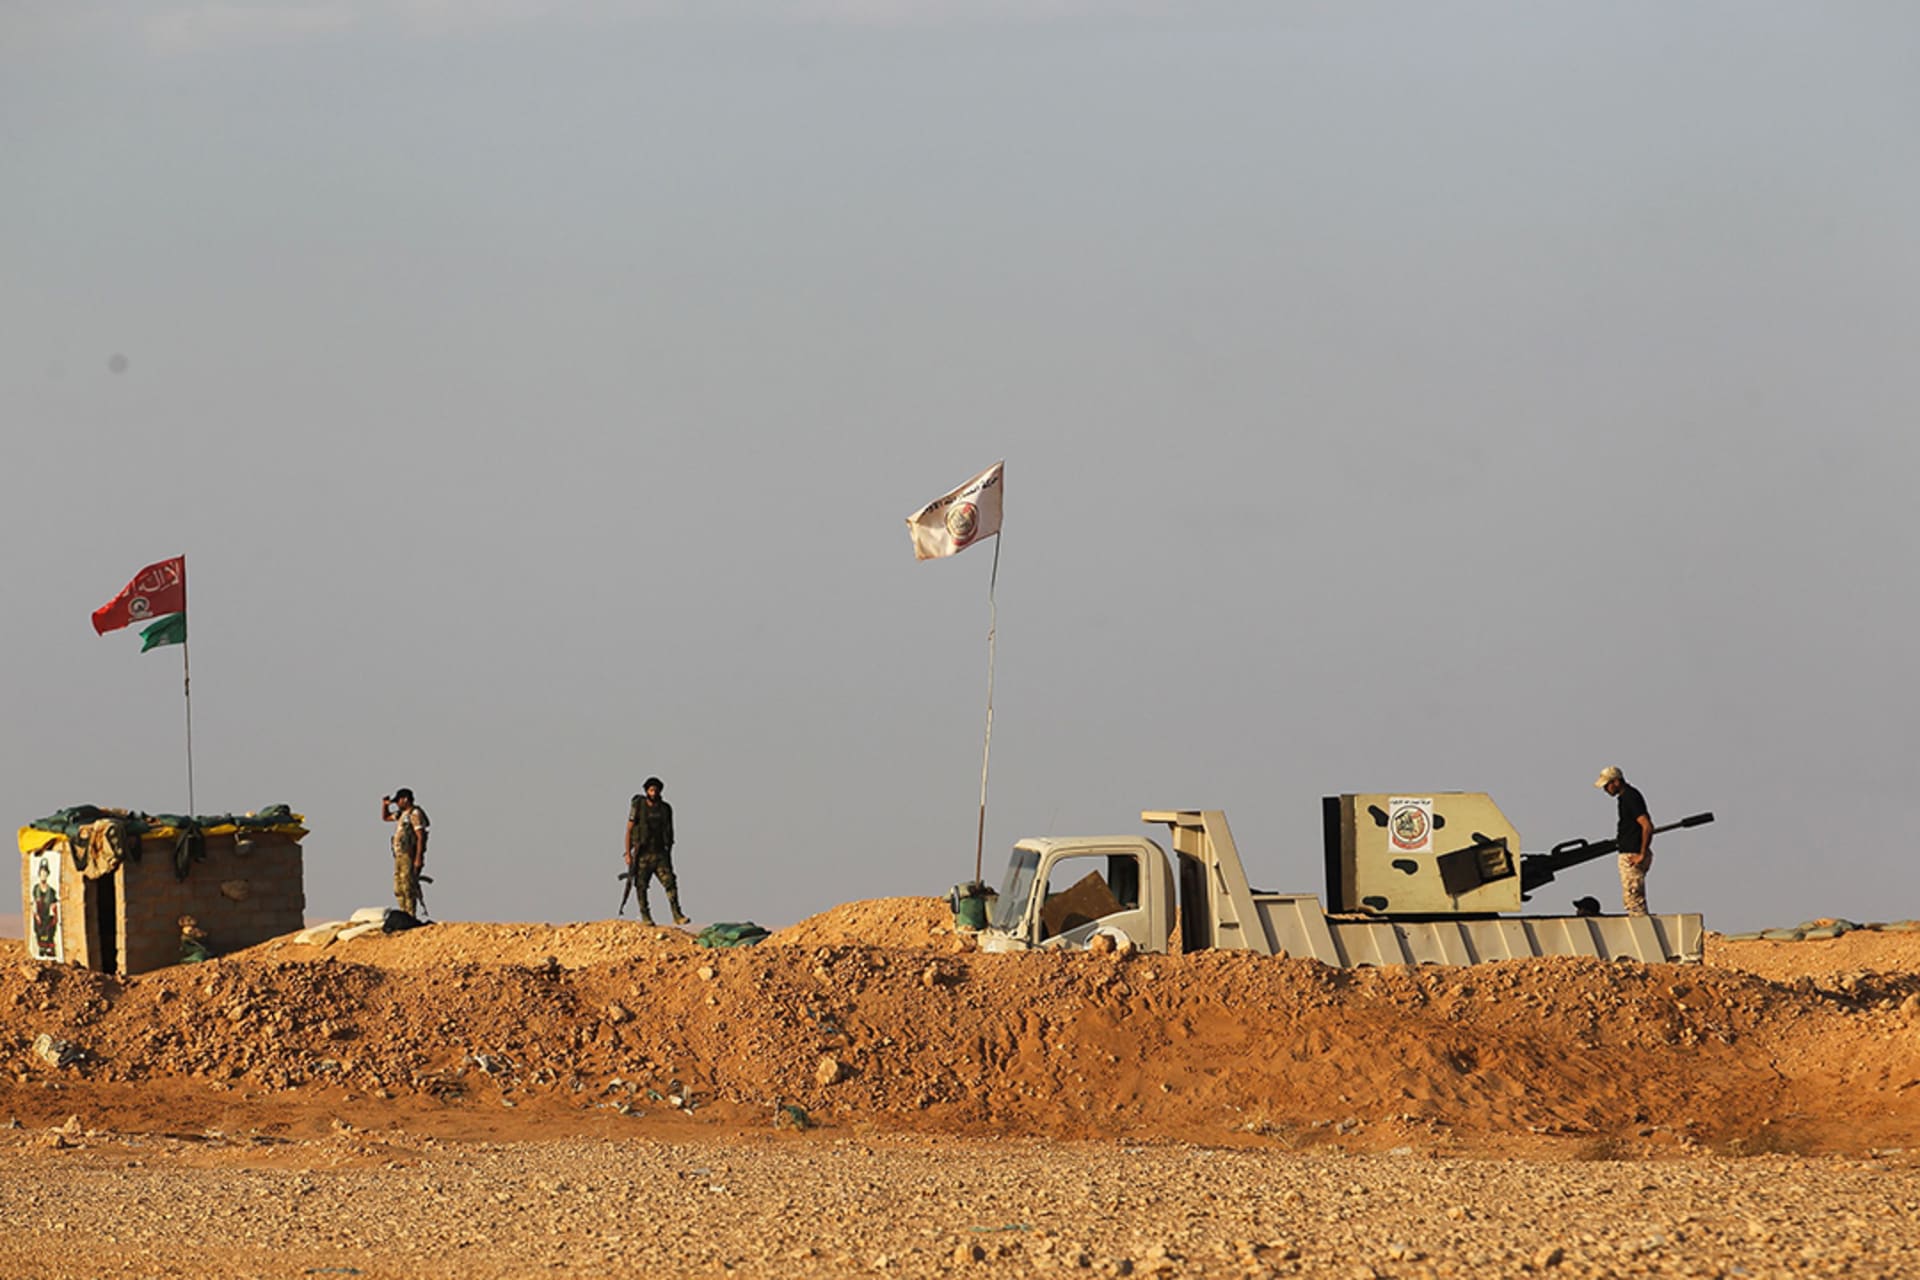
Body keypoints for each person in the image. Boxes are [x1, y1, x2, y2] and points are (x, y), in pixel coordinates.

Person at [625, 776, 687, 926]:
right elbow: (629, 830)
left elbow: (669, 831)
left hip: (660, 853)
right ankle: (645, 915)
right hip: (643, 854)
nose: (654, 793)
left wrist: (668, 852)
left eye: (656, 790)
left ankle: (677, 914)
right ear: (646, 791)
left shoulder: (665, 809)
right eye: (651, 790)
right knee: (641, 886)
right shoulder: (639, 807)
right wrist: (628, 853)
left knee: (670, 883)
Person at [1595, 766, 1653, 915]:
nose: (1605, 789)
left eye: (1607, 785)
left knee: (1633, 901)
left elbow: (1647, 826)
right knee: (1633, 899)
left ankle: (1641, 927)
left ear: (1616, 782)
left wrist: (1641, 854)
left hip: (1632, 854)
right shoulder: (1626, 797)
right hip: (1631, 851)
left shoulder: (1629, 797)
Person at [381, 787, 430, 916]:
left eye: (398, 801)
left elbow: (420, 837)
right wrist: (385, 805)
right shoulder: (402, 814)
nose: (397, 804)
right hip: (399, 854)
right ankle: (404, 913)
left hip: (409, 854)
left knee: (408, 886)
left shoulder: (415, 814)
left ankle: (410, 914)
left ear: (405, 799)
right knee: (399, 888)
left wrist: (418, 858)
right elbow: (386, 817)